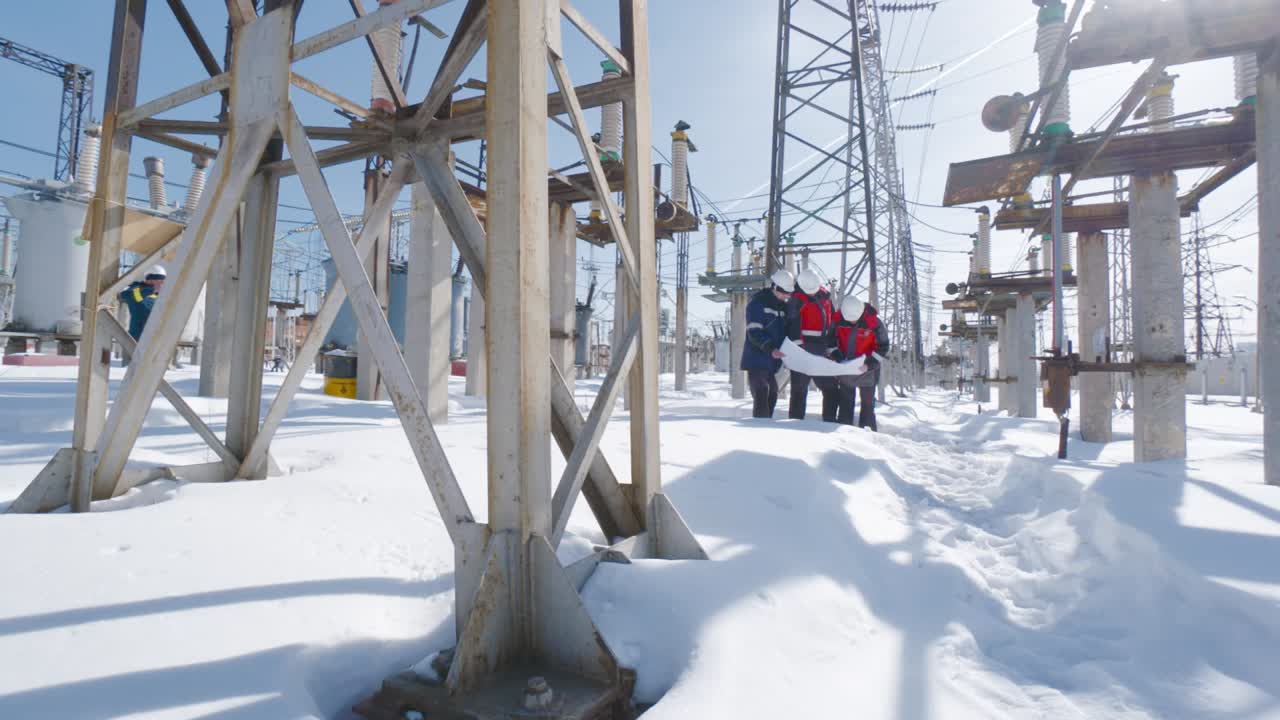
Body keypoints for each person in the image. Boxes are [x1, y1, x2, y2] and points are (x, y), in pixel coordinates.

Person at [740, 269, 795, 418]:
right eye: (784, 292)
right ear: (775, 287)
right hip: (757, 358)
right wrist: (770, 348)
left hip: (772, 361)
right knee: (762, 392)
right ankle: (760, 427)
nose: (785, 296)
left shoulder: (782, 307)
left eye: (787, 293)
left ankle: (766, 424)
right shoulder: (757, 304)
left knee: (773, 393)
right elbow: (754, 332)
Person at [787, 268, 838, 421]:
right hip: (802, 350)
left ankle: (829, 422)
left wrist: (832, 348)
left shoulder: (826, 299)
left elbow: (832, 324)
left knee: (830, 388)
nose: (811, 293)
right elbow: (791, 326)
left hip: (821, 349)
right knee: (799, 390)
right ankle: (795, 423)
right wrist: (799, 349)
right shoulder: (795, 300)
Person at [832, 295, 889, 430]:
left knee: (868, 404)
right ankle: (843, 433)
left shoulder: (875, 323)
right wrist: (838, 357)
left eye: (855, 319)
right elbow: (830, 342)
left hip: (868, 369)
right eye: (849, 320)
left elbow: (883, 347)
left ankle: (868, 434)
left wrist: (869, 364)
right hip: (846, 367)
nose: (852, 322)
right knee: (845, 402)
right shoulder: (837, 320)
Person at [119, 265, 166, 341]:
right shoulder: (136, 288)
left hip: (155, 339)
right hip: (136, 339)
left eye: (162, 281)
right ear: (150, 280)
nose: (161, 284)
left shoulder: (159, 296)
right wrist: (152, 290)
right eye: (159, 281)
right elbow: (126, 295)